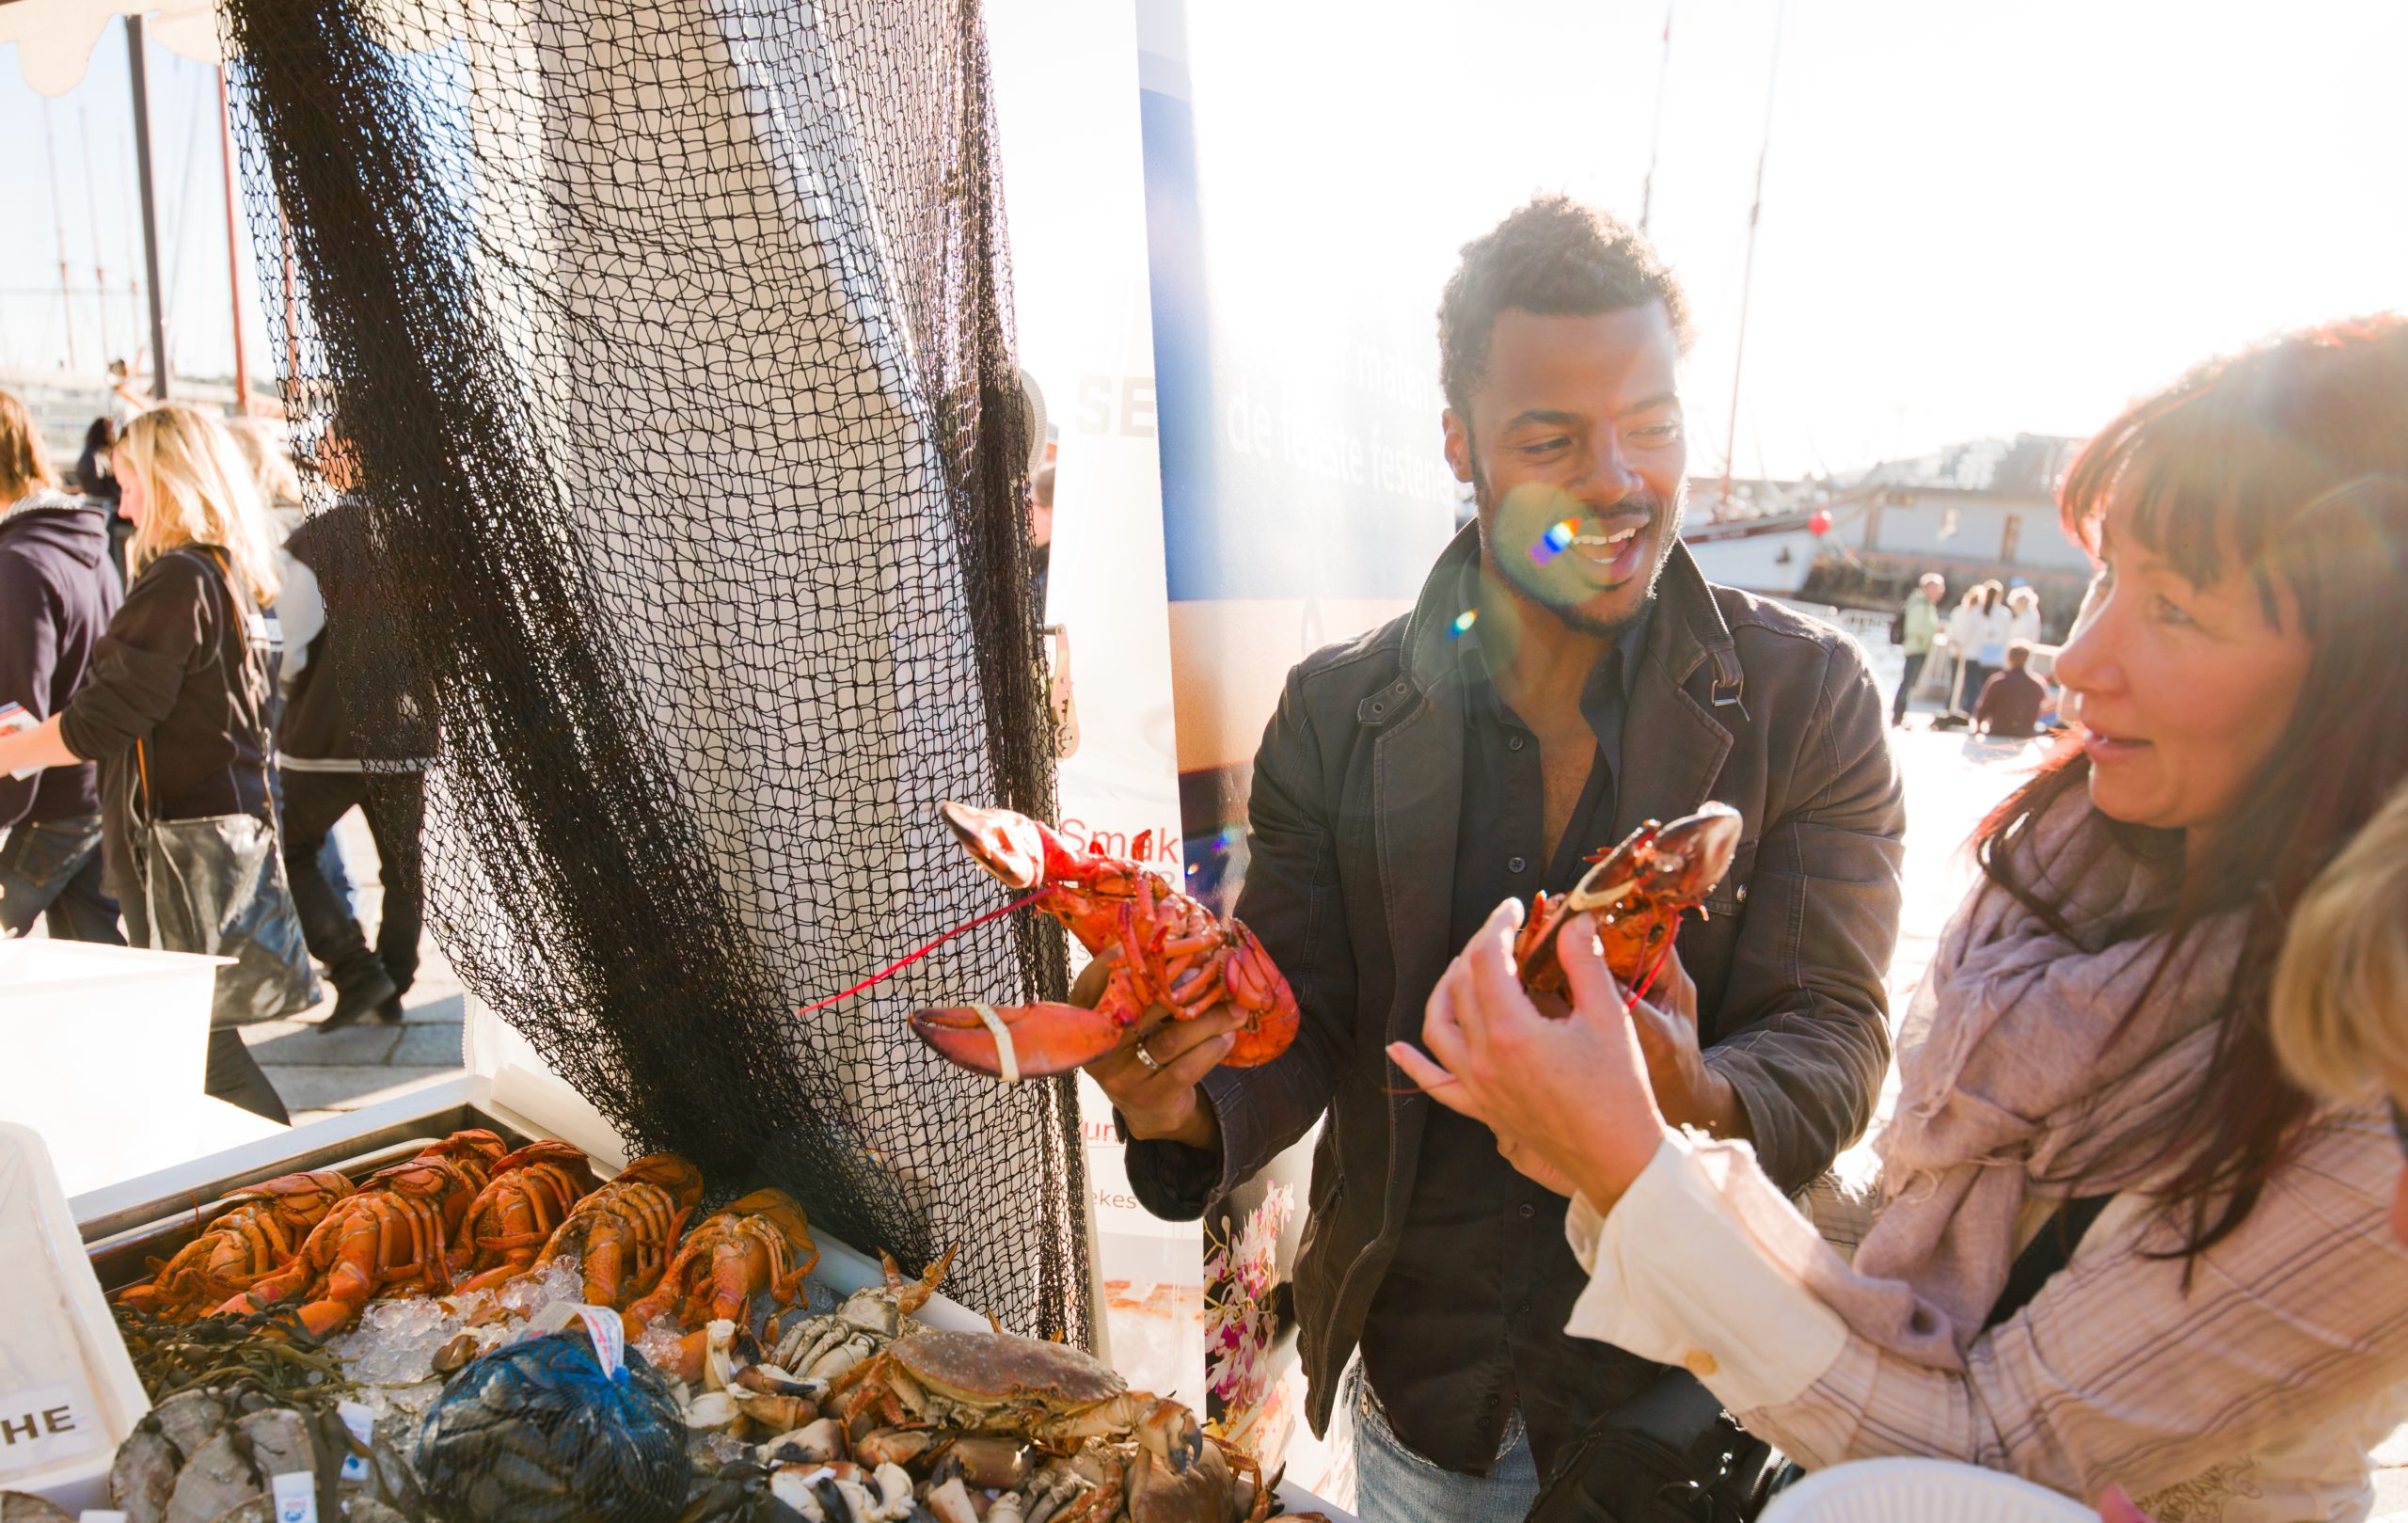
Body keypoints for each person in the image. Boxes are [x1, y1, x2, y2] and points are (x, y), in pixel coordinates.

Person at [1393, 317, 2408, 1522]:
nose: (2077, 660)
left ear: (2367, 681)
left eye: (2177, 609)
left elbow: (1984, 1445)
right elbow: (1902, 1247)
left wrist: (1637, 1159)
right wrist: (1651, 1121)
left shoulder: (2373, 1094)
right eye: (2108, 577)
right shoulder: (2079, 876)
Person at [1090, 197, 1905, 1521]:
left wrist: (1691, 1084)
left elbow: (1836, 1034)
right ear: (1459, 442)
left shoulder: (1810, 697)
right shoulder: (1332, 708)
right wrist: (1177, 1098)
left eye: (1652, 423)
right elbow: (1303, 1014)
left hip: (1680, 1402)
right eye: (1552, 437)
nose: (1618, 479)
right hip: (1423, 1395)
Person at [0, 404, 294, 1123]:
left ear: (171, 482)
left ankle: (299, 1181)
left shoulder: (180, 579)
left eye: (130, 483)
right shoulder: (225, 576)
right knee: (183, 1035)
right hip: (210, 833)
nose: (121, 503)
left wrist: (15, 750)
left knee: (206, 1050)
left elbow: (106, 716)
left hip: (177, 844)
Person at [277, 478, 436, 1030]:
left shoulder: (319, 539)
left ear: (347, 451)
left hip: (325, 738)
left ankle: (356, 969)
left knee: (288, 851)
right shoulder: (426, 535)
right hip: (404, 732)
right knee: (402, 868)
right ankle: (392, 982)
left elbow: (288, 643)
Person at [0, 390, 125, 942]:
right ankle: (201, 1034)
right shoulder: (81, 539)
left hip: (46, 801)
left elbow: (15, 706)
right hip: (96, 783)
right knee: (100, 960)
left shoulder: (18, 562)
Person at [1893, 572, 1945, 726]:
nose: (1941, 592)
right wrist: (1936, 629)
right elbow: (1916, 627)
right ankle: (1898, 716)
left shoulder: (1925, 603)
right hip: (1916, 647)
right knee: (1908, 682)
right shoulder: (1920, 603)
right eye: (1938, 588)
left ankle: (1900, 715)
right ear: (1928, 587)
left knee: (1910, 683)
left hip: (1920, 648)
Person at [1971, 641, 2046, 739]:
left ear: (2008, 658)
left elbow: (1984, 708)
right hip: (2024, 736)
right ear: (2028, 659)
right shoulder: (2037, 685)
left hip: (1998, 734)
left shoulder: (1998, 681)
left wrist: (1978, 728)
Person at [2005, 583, 2043, 648]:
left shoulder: (2028, 618)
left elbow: (2016, 637)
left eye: (2016, 603)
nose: (2014, 606)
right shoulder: (2027, 615)